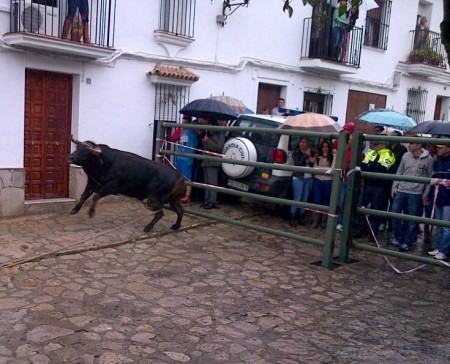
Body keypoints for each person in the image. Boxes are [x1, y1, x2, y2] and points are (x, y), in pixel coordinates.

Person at [388, 140, 434, 252]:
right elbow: (400, 171)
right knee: (394, 214)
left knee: (413, 219)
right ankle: (399, 238)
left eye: (412, 143)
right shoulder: (405, 156)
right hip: (402, 189)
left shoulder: (428, 159)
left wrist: (425, 194)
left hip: (416, 192)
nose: (409, 145)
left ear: (419, 145)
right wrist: (395, 186)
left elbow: (429, 177)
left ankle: (407, 241)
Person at [356, 139, 395, 241]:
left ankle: (373, 233)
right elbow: (363, 166)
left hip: (379, 186)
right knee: (361, 206)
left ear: (383, 144)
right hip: (368, 184)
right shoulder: (371, 152)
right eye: (373, 143)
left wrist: (370, 166)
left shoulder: (389, 154)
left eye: (376, 144)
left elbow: (382, 169)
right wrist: (371, 166)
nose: (373, 145)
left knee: (376, 210)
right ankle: (362, 229)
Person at [426, 143, 450, 260]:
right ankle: (439, 247)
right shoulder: (437, 162)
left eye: (440, 147)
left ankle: (444, 250)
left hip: (448, 200)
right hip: (438, 197)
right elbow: (433, 179)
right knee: (439, 225)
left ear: (448, 148)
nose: (437, 150)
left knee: (446, 226)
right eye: (437, 148)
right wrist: (429, 195)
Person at [199, 117, 226, 209]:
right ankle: (207, 200)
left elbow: (218, 148)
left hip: (213, 161)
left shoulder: (219, 134)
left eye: (208, 125)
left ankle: (212, 201)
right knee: (206, 182)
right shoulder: (208, 134)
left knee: (212, 182)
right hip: (206, 160)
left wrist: (208, 141)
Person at [170, 116, 198, 203]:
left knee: (187, 177)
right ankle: (179, 193)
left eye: (185, 123)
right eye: (182, 123)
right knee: (179, 176)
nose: (183, 125)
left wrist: (191, 157)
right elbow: (175, 138)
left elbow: (194, 145)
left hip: (187, 157)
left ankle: (187, 195)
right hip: (180, 156)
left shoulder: (192, 132)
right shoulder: (182, 132)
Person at [310, 139, 336, 229]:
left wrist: (321, 169)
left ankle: (323, 220)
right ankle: (315, 220)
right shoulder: (318, 156)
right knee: (316, 200)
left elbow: (332, 169)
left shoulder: (334, 156)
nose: (325, 148)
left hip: (328, 180)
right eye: (323, 147)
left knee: (325, 200)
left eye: (326, 147)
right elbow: (315, 167)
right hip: (318, 179)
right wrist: (325, 169)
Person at [289, 137, 313, 227]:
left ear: (307, 143)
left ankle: (301, 217)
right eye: (301, 142)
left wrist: (311, 159)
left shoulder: (311, 151)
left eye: (304, 142)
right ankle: (293, 217)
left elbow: (311, 165)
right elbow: (298, 163)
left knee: (305, 198)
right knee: (297, 198)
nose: (302, 144)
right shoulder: (296, 152)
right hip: (298, 176)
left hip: (308, 177)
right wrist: (305, 155)